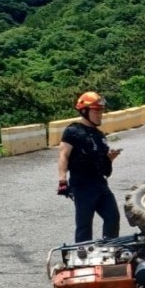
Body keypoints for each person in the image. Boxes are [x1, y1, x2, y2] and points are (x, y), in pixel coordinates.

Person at [57, 91, 121, 243]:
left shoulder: (99, 135)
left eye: (101, 111)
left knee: (113, 217)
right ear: (85, 111)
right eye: (96, 111)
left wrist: (109, 159)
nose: (100, 115)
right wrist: (62, 180)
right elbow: (63, 155)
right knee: (84, 225)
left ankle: (110, 249)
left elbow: (103, 166)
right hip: (82, 186)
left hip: (100, 184)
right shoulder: (73, 131)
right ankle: (82, 258)